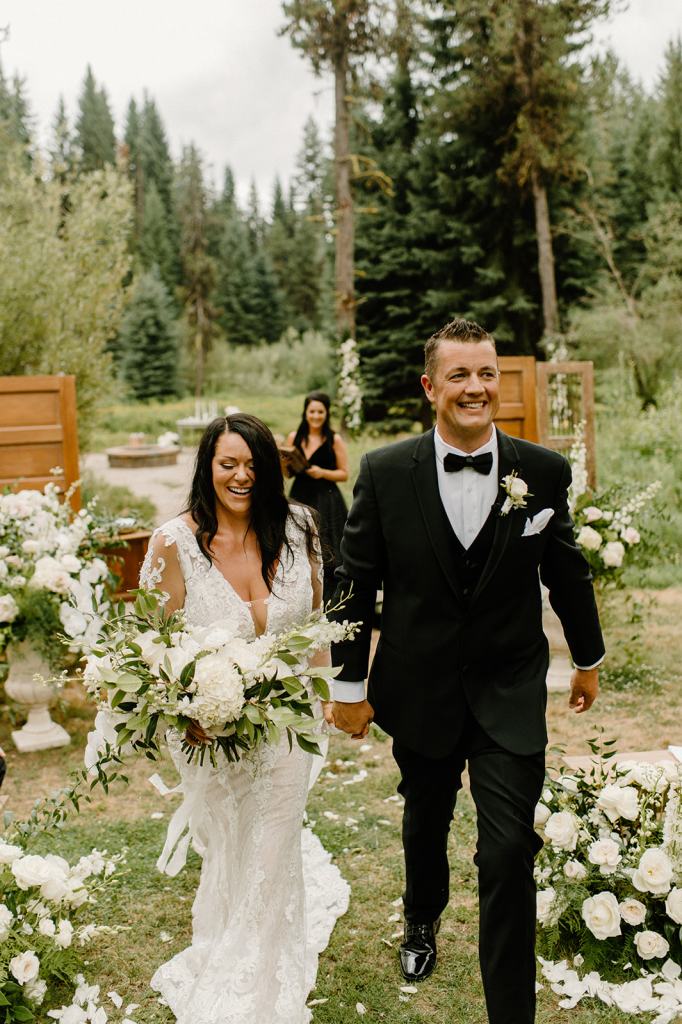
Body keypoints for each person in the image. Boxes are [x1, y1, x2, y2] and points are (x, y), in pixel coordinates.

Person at [327, 320, 604, 1024]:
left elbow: (566, 570)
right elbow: (355, 583)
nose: (476, 387)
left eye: (487, 374)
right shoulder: (387, 472)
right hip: (419, 689)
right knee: (426, 818)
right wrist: (349, 687)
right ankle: (421, 918)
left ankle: (510, 1013)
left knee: (508, 850)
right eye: (459, 375)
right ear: (431, 387)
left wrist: (587, 658)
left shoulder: (542, 471)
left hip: (510, 690)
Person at [139, 412, 349, 1024]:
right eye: (228, 464)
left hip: (288, 725)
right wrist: (186, 713)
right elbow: (153, 651)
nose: (241, 476)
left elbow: (312, 626)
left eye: (253, 466)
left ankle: (251, 975)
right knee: (231, 844)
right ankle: (230, 938)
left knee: (272, 844)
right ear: (208, 467)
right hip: (213, 731)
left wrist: (324, 694)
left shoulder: (301, 528)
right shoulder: (171, 544)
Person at [286, 391, 349, 606]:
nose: (315, 415)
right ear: (305, 412)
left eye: (320, 411)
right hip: (300, 495)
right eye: (312, 411)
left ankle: (329, 595)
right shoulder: (295, 437)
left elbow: (344, 473)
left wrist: (322, 472)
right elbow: (287, 471)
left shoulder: (334, 439)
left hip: (327, 498)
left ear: (326, 413)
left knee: (326, 545)